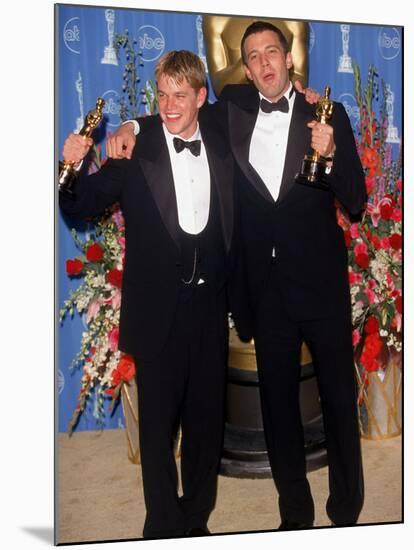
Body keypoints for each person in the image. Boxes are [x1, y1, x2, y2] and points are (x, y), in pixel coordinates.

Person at [106, 21, 366, 531]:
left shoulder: (327, 114)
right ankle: (295, 514)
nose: (265, 62)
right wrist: (131, 127)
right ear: (244, 69)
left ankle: (347, 511)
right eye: (254, 56)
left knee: (337, 400)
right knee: (278, 409)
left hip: (321, 288)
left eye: (273, 52)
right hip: (263, 293)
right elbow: (177, 113)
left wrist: (332, 154)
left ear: (289, 59)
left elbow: (355, 201)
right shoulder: (232, 111)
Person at [59, 50, 236, 539]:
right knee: (158, 432)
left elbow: (249, 98)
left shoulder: (221, 137)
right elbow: (84, 203)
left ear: (202, 97)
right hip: (158, 311)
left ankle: (196, 517)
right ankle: (162, 525)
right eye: (161, 95)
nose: (170, 106)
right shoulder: (136, 149)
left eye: (181, 95)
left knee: (206, 427)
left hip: (209, 309)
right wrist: (70, 168)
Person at [202, 15, 308, 96]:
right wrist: (252, 62)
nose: (264, 62)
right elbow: (219, 86)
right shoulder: (215, 18)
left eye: (271, 51)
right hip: (237, 112)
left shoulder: (294, 18)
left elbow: (300, 81)